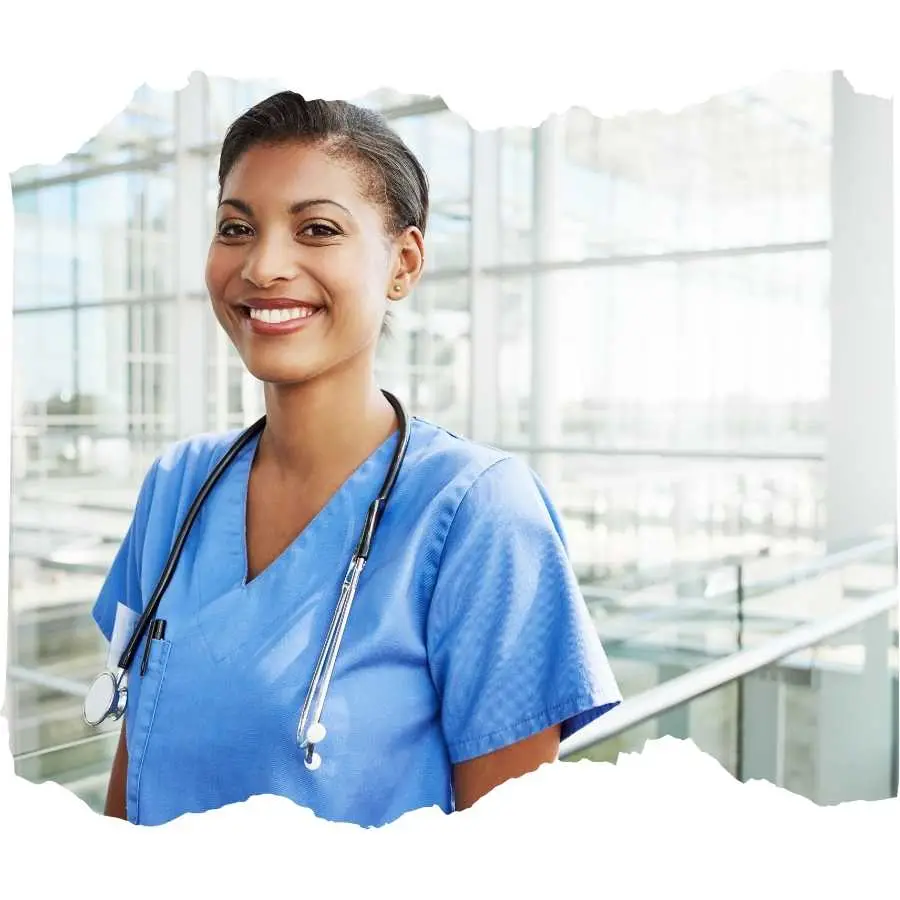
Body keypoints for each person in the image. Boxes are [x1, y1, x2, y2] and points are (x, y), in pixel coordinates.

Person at [91, 91, 622, 828]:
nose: (264, 265)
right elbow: (135, 771)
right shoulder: (178, 486)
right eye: (236, 228)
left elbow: (510, 852)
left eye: (317, 229)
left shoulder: (478, 515)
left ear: (403, 263)